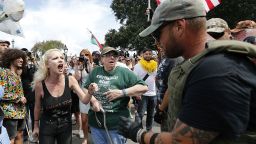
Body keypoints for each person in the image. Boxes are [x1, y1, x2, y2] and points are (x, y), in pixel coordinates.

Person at [117, 0, 256, 143]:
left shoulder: (216, 70)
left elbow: (180, 141)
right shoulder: (201, 64)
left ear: (179, 26)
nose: (157, 43)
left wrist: (138, 133)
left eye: (158, 34)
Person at [83, 47, 148, 144]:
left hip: (117, 125)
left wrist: (122, 92)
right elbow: (85, 87)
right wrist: (94, 100)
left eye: (115, 55)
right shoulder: (96, 71)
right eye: (108, 55)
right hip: (97, 124)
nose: (112, 57)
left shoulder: (124, 72)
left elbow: (144, 87)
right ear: (102, 59)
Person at [32, 49, 94, 144]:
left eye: (62, 58)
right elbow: (37, 106)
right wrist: (36, 126)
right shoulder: (40, 85)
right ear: (47, 65)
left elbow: (85, 100)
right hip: (47, 126)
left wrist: (90, 92)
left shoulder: (71, 80)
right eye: (55, 58)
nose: (60, 60)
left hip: (66, 125)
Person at [0, 48, 27, 144]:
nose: (22, 60)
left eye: (22, 58)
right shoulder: (3, 72)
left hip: (21, 112)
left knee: (20, 135)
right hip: (9, 113)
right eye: (18, 57)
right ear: (11, 58)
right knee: (10, 139)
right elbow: (1, 93)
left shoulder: (17, 75)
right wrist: (18, 98)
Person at [133, 48, 157, 132]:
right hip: (142, 94)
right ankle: (138, 130)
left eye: (149, 54)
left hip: (153, 93)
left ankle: (149, 130)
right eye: (146, 54)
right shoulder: (137, 66)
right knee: (140, 114)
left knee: (151, 114)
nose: (148, 55)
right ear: (142, 55)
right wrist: (136, 93)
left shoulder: (155, 65)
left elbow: (156, 78)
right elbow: (134, 80)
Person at [74, 49, 93, 143]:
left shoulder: (92, 65)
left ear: (89, 55)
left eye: (86, 54)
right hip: (83, 95)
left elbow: (93, 75)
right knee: (84, 119)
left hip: (94, 96)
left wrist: (89, 64)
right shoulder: (78, 66)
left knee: (94, 118)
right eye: (82, 55)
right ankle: (86, 138)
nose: (84, 56)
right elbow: (77, 78)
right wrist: (77, 66)